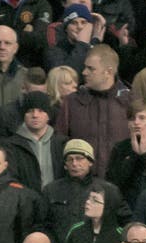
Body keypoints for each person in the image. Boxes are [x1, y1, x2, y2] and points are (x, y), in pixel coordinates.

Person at [56, 43, 133, 177]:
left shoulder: (131, 102)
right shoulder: (72, 102)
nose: (84, 72)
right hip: (79, 185)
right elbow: (59, 144)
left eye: (91, 69)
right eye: (85, 67)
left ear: (108, 72)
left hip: (121, 185)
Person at [3, 90, 67, 192]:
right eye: (30, 111)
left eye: (41, 111)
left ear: (48, 115)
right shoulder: (10, 145)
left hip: (56, 202)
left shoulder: (61, 143)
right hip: (25, 203)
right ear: (23, 115)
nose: (35, 115)